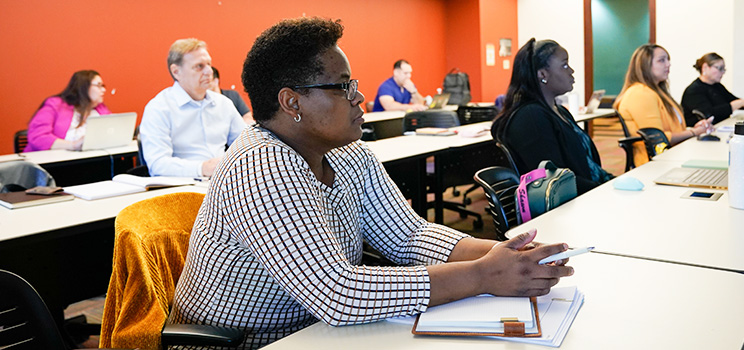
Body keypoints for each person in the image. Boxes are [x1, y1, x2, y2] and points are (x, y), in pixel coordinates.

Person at [168, 17, 573, 348]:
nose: (359, 98)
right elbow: (339, 294)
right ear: (292, 103)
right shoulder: (260, 165)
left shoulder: (348, 153)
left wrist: (507, 255)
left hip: (315, 332)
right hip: (246, 343)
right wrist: (485, 275)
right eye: (344, 87)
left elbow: (409, 236)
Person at [491, 38, 613, 195]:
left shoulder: (560, 111)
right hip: (569, 207)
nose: (571, 71)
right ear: (542, 74)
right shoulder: (530, 118)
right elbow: (556, 182)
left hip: (588, 194)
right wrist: (606, 190)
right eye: (564, 65)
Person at [138, 38, 246, 177]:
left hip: (223, 182)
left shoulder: (223, 103)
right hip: (182, 187)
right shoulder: (159, 108)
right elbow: (158, 165)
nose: (209, 71)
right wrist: (202, 168)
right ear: (176, 72)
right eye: (199, 66)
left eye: (209, 64)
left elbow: (246, 145)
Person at [613, 44, 713, 167]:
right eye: (661, 60)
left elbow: (669, 130)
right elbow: (658, 139)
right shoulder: (640, 93)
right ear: (645, 65)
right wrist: (694, 132)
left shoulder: (658, 92)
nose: (668, 64)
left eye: (668, 60)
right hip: (655, 162)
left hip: (673, 155)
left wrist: (691, 129)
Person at [24, 70, 110, 152]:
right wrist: (73, 145)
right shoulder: (55, 105)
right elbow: (38, 137)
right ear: (84, 86)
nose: (103, 90)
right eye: (99, 85)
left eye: (103, 86)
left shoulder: (100, 109)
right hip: (54, 162)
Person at [681, 52, 744, 126]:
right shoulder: (693, 91)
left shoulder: (717, 86)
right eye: (719, 68)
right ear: (705, 67)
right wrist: (742, 102)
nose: (723, 72)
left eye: (724, 69)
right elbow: (709, 115)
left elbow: (732, 100)